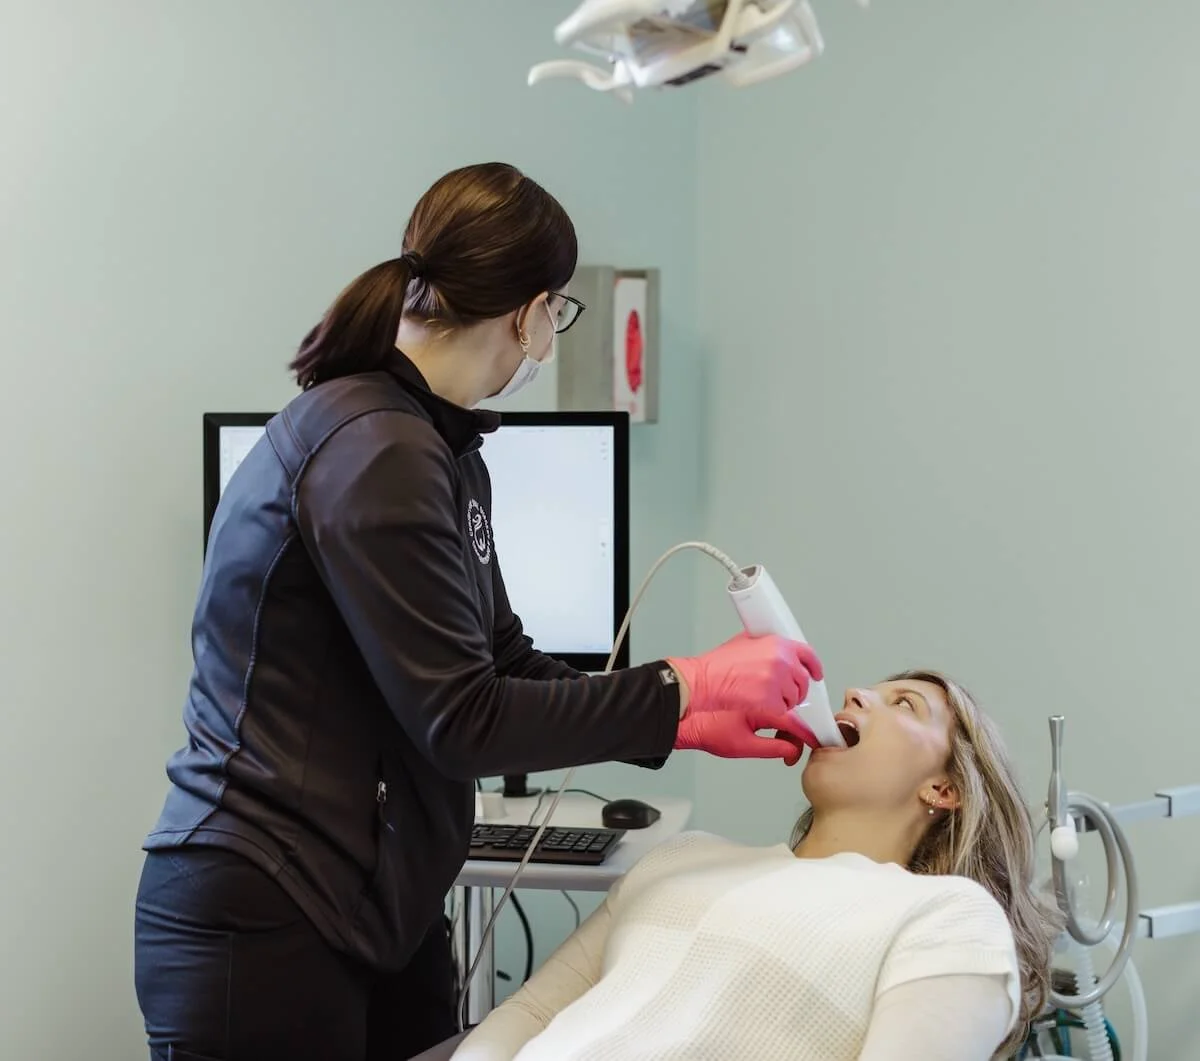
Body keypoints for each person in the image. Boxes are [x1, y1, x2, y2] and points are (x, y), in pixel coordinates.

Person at [133, 161, 824, 1061]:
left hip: (375, 903)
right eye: (560, 310)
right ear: (531, 311)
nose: (551, 334)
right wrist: (683, 681)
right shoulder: (374, 448)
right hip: (271, 905)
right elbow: (464, 718)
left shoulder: (441, 449)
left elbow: (505, 664)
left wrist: (689, 717)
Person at [452, 670, 1065, 1061]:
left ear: (944, 789)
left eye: (903, 703)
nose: (856, 693)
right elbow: (530, 1014)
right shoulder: (684, 856)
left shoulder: (947, 916)